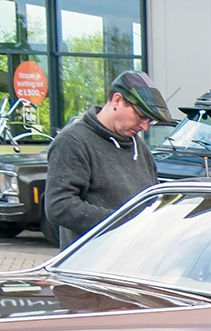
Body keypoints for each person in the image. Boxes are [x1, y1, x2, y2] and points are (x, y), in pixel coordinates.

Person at [45, 71, 175, 249]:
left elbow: (153, 199)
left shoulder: (138, 146)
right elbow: (59, 206)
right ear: (117, 100)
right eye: (141, 116)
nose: (144, 126)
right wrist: (125, 223)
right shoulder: (73, 141)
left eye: (149, 121)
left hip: (134, 259)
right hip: (91, 264)